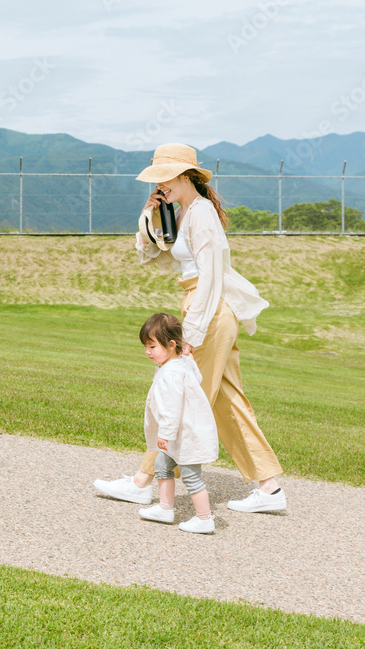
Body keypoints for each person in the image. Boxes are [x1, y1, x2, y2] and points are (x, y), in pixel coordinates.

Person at [95, 143, 287, 513]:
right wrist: (149, 214)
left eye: (164, 178)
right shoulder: (182, 213)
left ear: (185, 176)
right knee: (228, 401)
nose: (159, 184)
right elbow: (150, 254)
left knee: (180, 397)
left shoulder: (201, 214)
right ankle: (269, 488)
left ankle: (142, 482)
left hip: (209, 309)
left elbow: (212, 276)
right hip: (201, 305)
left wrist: (192, 336)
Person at [136, 313, 219, 533]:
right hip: (181, 434)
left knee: (192, 476)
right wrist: (189, 359)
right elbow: (197, 379)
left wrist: (165, 434)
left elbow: (170, 409)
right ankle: (165, 507)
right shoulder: (180, 364)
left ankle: (204, 518)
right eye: (145, 346)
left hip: (184, 436)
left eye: (152, 346)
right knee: (162, 465)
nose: (147, 352)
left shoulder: (171, 374)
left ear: (172, 345)